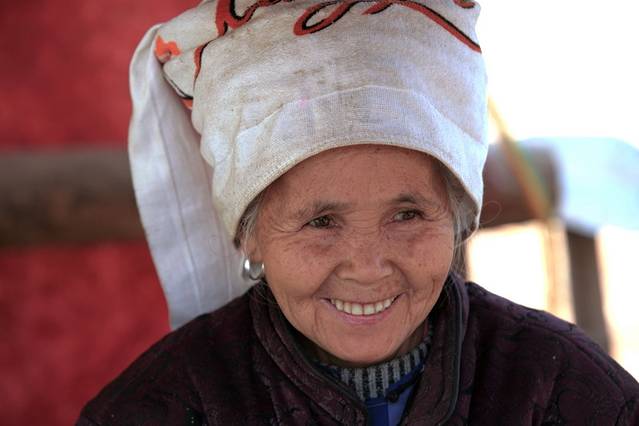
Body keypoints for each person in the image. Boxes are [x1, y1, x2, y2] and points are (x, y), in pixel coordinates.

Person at [78, 0, 639, 424]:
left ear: (456, 218)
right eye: (321, 222)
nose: (368, 267)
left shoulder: (564, 388)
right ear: (249, 235)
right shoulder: (160, 407)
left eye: (408, 215)